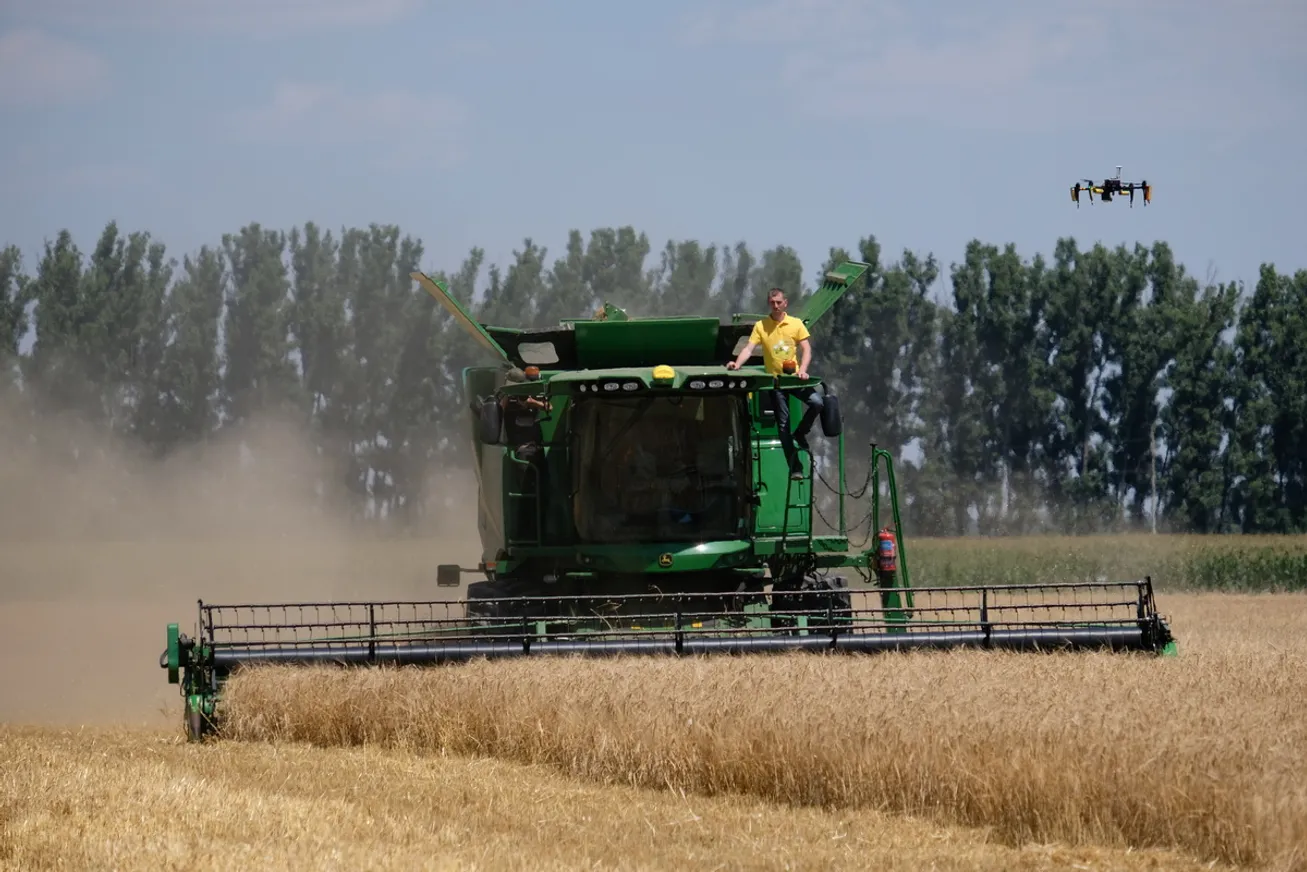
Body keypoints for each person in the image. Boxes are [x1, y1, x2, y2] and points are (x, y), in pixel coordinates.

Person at [726, 287, 824, 479]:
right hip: (776, 383)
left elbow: (807, 349)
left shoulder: (795, 324)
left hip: (794, 379)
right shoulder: (761, 326)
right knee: (782, 427)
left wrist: (803, 370)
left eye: (779, 302)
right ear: (769, 304)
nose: (776, 306)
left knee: (817, 402)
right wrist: (736, 364)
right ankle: (795, 467)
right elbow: (749, 348)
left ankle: (801, 432)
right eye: (772, 303)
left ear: (785, 303)